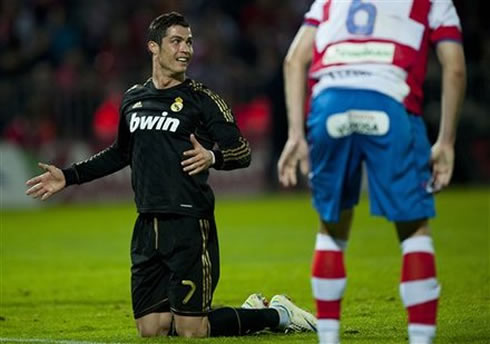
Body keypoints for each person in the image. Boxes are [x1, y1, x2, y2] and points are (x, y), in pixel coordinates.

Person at [25, 12, 316, 338]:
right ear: (153, 47)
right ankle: (250, 310)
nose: (186, 50)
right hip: (148, 226)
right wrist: (69, 176)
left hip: (189, 225)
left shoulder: (202, 100)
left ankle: (276, 315)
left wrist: (212, 156)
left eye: (189, 42)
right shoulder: (133, 99)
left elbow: (242, 151)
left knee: (192, 330)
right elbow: (121, 153)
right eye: (176, 41)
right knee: (153, 330)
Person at [277, 1, 466, 344]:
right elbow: (453, 68)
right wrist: (447, 141)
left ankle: (329, 339)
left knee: (332, 229)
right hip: (389, 101)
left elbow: (293, 60)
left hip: (329, 102)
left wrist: (295, 135)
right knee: (414, 231)